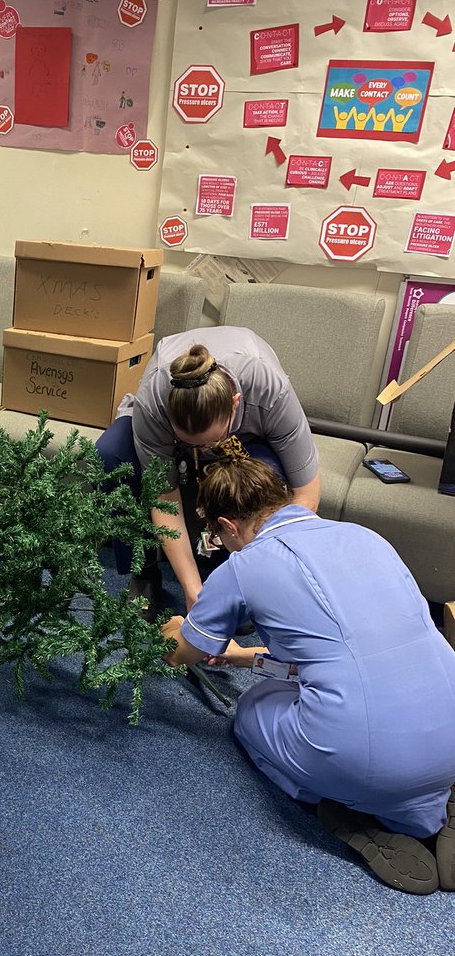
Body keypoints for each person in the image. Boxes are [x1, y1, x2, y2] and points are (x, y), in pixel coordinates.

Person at [161, 456, 455, 895]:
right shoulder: (363, 535)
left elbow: (183, 654)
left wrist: (172, 634)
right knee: (351, 685)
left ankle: (343, 807)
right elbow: (349, 649)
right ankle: (428, 807)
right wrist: (245, 657)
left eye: (217, 537)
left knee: (252, 709)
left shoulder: (242, 566)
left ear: (228, 525)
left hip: (362, 756)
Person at [96, 327, 320, 615]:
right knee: (112, 454)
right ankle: (145, 571)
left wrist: (262, 573)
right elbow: (163, 498)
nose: (201, 452)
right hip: (158, 424)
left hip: (248, 437)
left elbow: (306, 494)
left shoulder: (269, 390)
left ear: (235, 404)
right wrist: (192, 590)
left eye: (209, 442)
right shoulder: (156, 398)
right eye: (190, 443)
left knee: (269, 473)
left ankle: (244, 581)